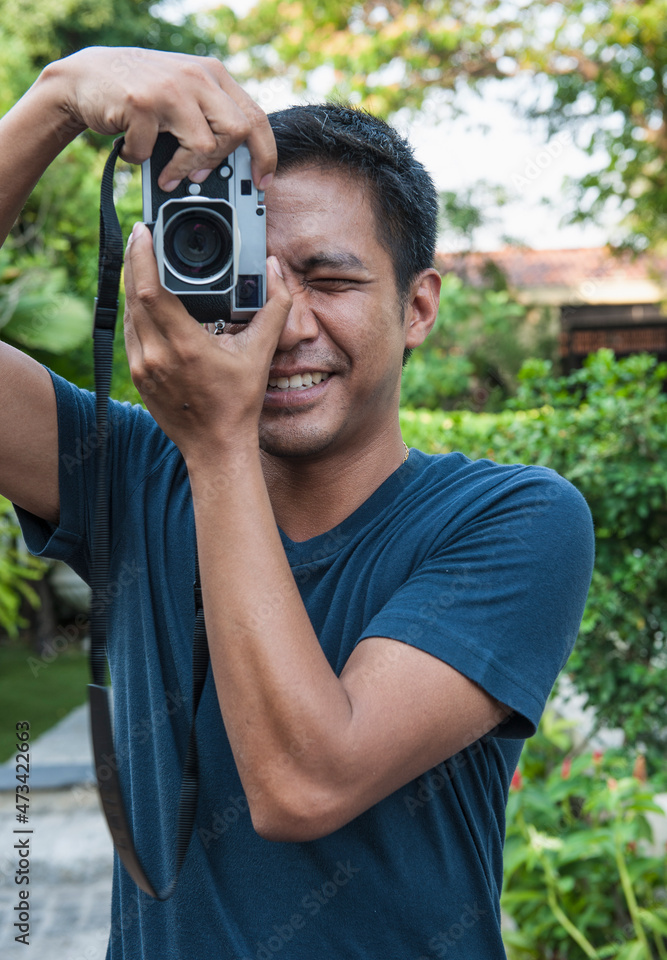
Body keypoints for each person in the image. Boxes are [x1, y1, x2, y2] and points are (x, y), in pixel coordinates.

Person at [0, 47, 594, 960]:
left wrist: (217, 443)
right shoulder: (134, 470)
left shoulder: (511, 519)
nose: (281, 322)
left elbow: (303, 784)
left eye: (328, 279)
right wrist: (53, 98)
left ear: (418, 306)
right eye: (238, 265)